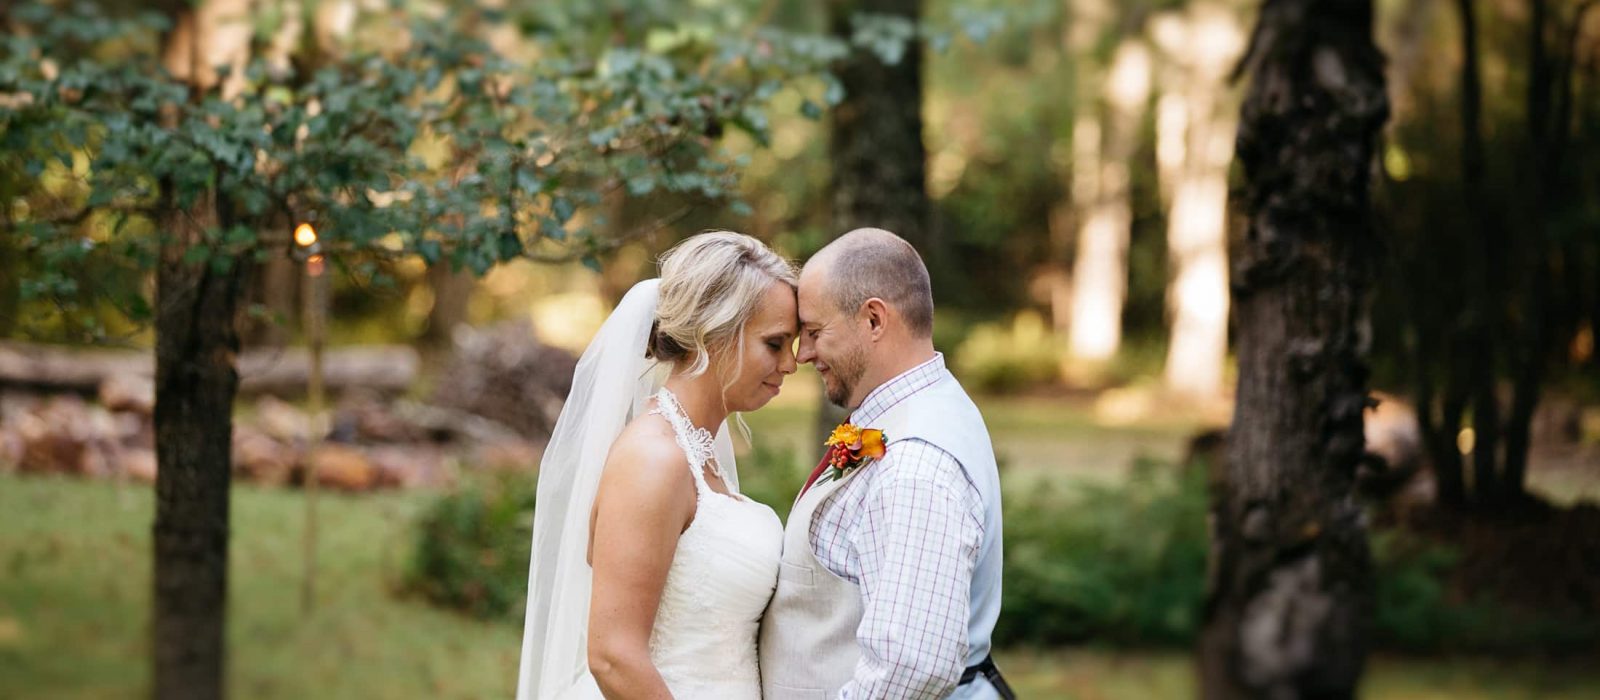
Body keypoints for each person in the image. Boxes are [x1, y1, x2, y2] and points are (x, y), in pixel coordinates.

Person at [517, 231, 798, 699]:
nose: (790, 364)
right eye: (775, 343)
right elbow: (612, 656)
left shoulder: (698, 455)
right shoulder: (653, 459)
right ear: (715, 335)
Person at [759, 227, 1013, 699]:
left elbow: (910, 670)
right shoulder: (926, 407)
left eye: (814, 332)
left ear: (874, 320)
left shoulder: (915, 465)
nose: (804, 354)